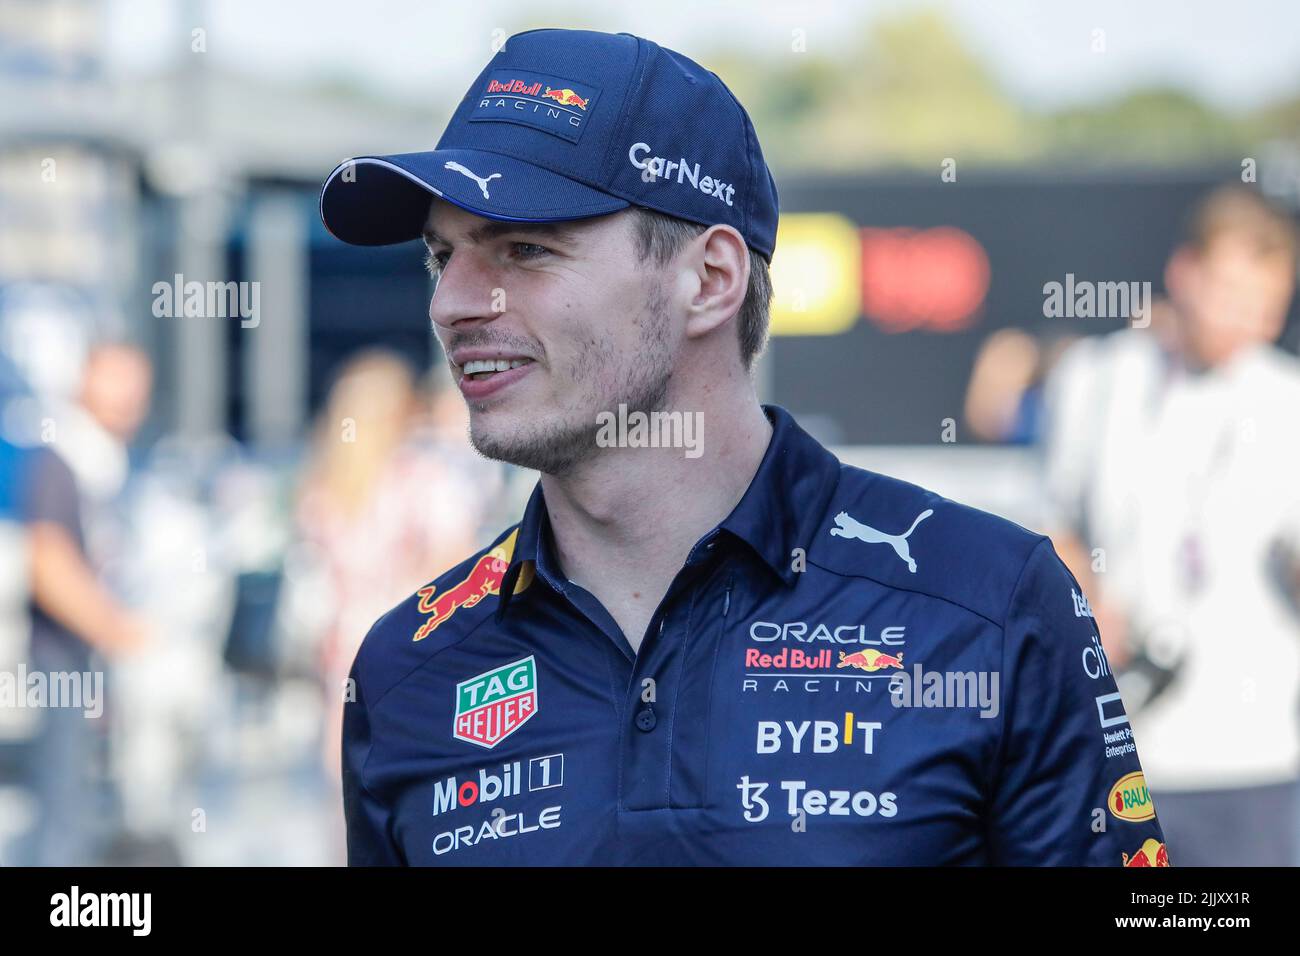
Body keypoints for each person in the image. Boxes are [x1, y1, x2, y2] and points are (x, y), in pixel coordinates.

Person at [319, 28, 1167, 866]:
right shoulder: (409, 671)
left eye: (525, 248)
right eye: (442, 257)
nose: (454, 304)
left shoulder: (987, 604)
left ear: (711, 279)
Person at [1042, 185, 1300, 866]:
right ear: (1184, 272)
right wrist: (1085, 604)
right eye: (1233, 295)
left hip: (1249, 761)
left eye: (1267, 307)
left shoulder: (1287, 401)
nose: (1250, 322)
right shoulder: (1093, 379)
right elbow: (1057, 526)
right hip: (1115, 750)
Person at [15, 342, 152, 865]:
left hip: (93, 663)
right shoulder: (63, 458)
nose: (129, 398)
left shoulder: (105, 461)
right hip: (66, 663)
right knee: (66, 810)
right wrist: (122, 634)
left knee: (98, 809)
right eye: (116, 381)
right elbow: (48, 564)